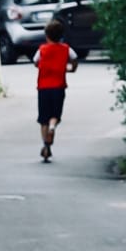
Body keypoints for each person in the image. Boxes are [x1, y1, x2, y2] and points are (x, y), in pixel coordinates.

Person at [34, 22, 78, 161]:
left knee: (43, 120)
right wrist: (71, 68)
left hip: (43, 88)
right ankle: (53, 127)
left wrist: (42, 66)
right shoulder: (66, 49)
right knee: (55, 115)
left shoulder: (42, 49)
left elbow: (35, 61)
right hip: (59, 87)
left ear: (47, 36)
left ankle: (46, 147)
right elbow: (75, 58)